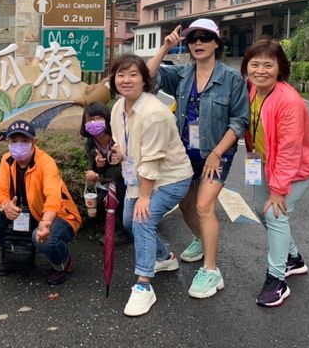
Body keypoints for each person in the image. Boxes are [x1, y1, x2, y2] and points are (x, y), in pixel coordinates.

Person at [146, 18, 249, 299]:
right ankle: (204, 240)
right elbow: (147, 78)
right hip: (184, 153)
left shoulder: (231, 79)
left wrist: (217, 153)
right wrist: (165, 49)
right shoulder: (182, 74)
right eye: (193, 39)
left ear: (217, 42)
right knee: (186, 205)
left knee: (204, 207)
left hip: (217, 154)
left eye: (205, 38)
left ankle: (211, 270)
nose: (198, 43)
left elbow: (240, 120)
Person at [240, 40, 309, 307]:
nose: (260, 70)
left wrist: (278, 191)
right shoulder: (252, 88)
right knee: (257, 206)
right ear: (247, 67)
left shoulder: (288, 101)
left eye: (268, 64)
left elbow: (289, 150)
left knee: (274, 213)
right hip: (264, 161)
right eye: (255, 64)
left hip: (299, 167)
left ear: (280, 69)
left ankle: (277, 280)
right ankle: (294, 258)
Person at [108, 55, 193, 317]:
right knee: (128, 222)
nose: (126, 80)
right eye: (121, 75)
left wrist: (144, 198)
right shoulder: (118, 107)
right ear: (114, 80)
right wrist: (116, 154)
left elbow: (153, 161)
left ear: (145, 79)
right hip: (141, 177)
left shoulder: (153, 112)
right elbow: (124, 143)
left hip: (170, 179)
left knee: (142, 220)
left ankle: (144, 285)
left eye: (133, 74)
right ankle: (164, 258)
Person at [0, 120, 82, 285]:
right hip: (26, 213)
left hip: (58, 216)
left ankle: (62, 264)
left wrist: (45, 223)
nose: (18, 145)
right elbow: (0, 190)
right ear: (7, 143)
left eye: (24, 141)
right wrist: (5, 205)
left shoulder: (46, 163)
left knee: (43, 239)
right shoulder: (6, 160)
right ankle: (13, 256)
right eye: (13, 141)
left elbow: (53, 196)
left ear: (34, 142)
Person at [80, 102, 132, 245]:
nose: (93, 123)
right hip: (107, 180)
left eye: (97, 118)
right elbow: (92, 167)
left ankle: (124, 232)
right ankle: (111, 228)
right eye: (89, 120)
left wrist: (98, 176)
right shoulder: (91, 142)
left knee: (118, 193)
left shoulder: (118, 137)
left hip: (126, 178)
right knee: (103, 199)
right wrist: (97, 165)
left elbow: (125, 168)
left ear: (107, 119)